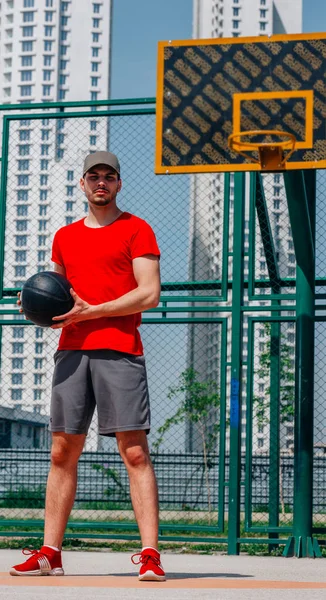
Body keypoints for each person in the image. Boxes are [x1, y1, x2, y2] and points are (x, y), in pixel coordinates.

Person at [10, 151, 165, 582]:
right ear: (82, 184)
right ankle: (49, 554)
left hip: (120, 348)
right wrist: (36, 305)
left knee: (133, 451)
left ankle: (150, 554)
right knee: (62, 451)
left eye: (109, 176)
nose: (101, 183)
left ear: (118, 184)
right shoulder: (64, 237)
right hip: (72, 351)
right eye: (93, 176)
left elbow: (148, 293)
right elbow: (58, 294)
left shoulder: (137, 229)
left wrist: (93, 312)